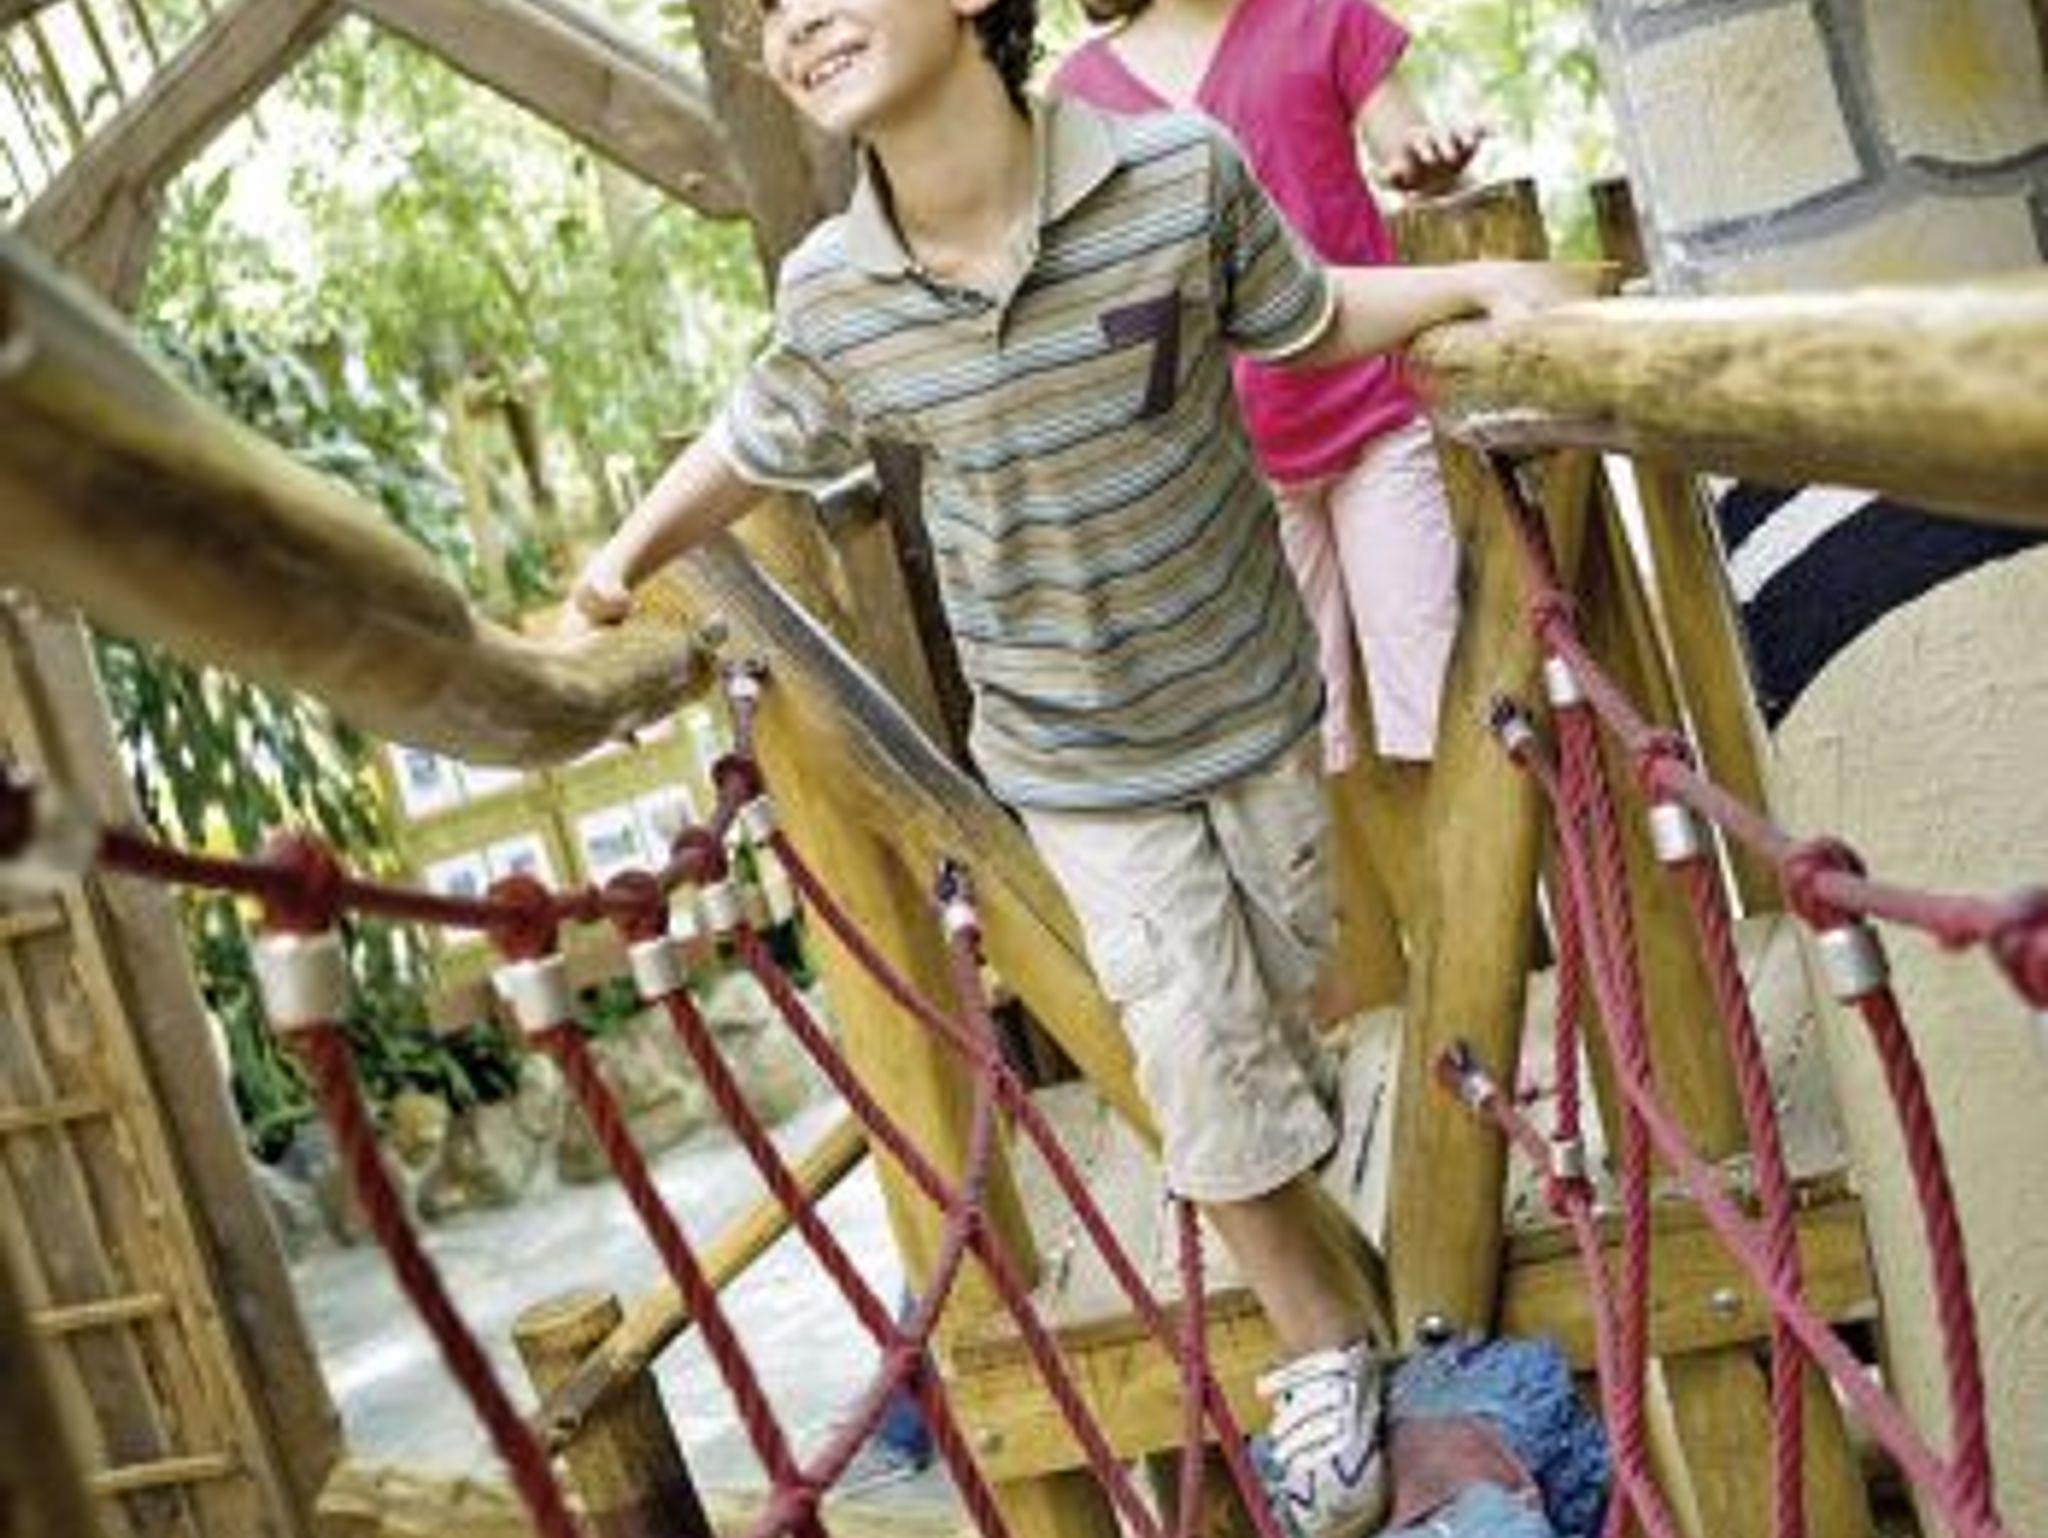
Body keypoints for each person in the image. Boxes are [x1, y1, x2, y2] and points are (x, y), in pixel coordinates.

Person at [565, 0, 1604, 1529]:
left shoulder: (1176, 178)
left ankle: (1293, 1167)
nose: (799, 19)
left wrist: (1471, 282)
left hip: (1251, 700)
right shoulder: (838, 292)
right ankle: (1321, 1340)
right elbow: (752, 440)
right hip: (1068, 748)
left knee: (1277, 983)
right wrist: (618, 563)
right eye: (770, 8)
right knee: (1185, 1025)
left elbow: (1306, 315)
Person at [1052, 0, 1478, 788]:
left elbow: (1410, 152)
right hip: (1232, 472)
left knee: (1443, 709)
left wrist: (1433, 170)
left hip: (1375, 416)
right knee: (1294, 755)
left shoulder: (1324, 15)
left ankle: (1492, 873)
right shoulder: (1078, 94)